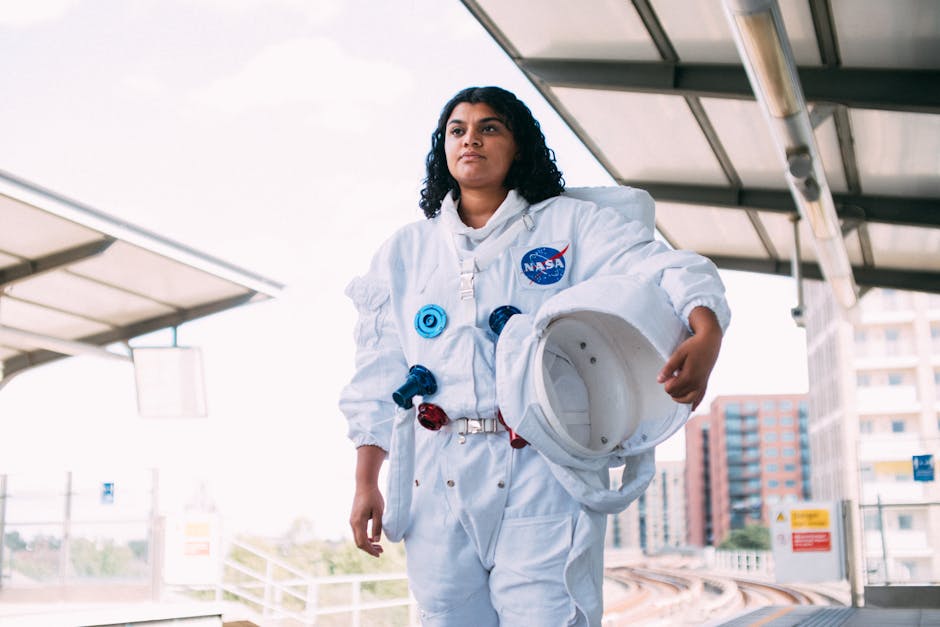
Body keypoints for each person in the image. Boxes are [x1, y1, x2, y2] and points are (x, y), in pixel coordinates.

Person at [339, 86, 729, 626]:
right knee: (446, 617)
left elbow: (658, 267)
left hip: (538, 467)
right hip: (436, 471)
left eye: (489, 127)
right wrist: (366, 482)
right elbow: (376, 373)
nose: (470, 139)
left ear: (518, 147)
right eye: (458, 130)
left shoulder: (568, 226)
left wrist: (705, 328)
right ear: (443, 149)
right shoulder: (406, 252)